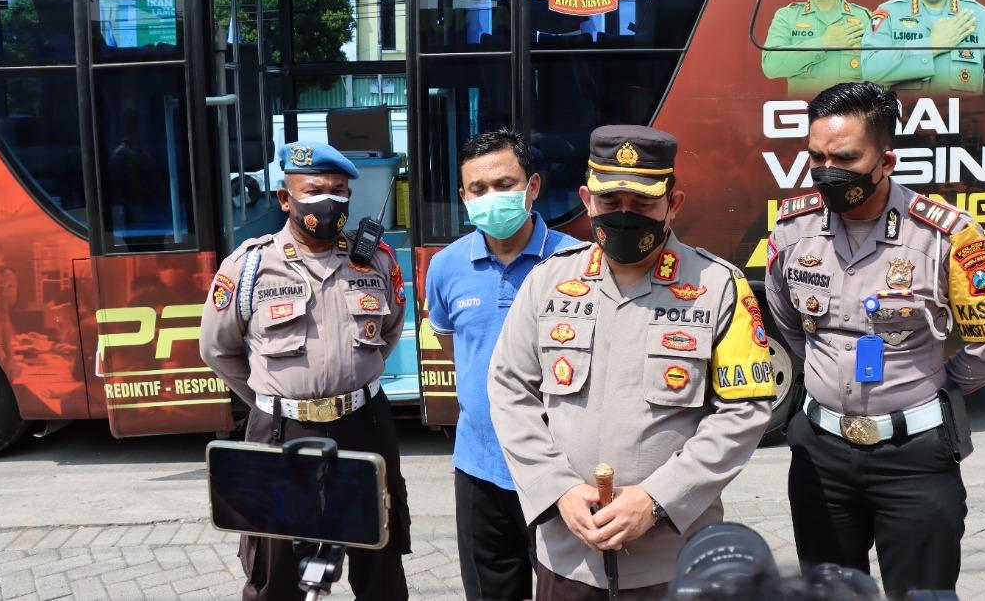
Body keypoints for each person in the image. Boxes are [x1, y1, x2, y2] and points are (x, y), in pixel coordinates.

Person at [488, 125, 775, 599]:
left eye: (641, 205)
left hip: (672, 561)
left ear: (672, 204)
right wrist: (557, 489)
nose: (624, 217)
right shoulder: (547, 283)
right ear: (587, 199)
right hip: (567, 559)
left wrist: (658, 500)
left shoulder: (720, 287)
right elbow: (509, 391)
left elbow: (743, 412)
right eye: (610, 203)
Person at [765, 82, 985, 596]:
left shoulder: (946, 235)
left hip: (915, 458)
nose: (827, 170)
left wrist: (927, 387)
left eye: (846, 157)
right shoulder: (793, 230)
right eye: (816, 157)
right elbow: (788, 322)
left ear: (887, 159)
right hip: (820, 458)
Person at [200, 142, 411, 601]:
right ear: (284, 198)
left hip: (364, 427)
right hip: (281, 432)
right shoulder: (250, 266)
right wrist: (274, 398)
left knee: (380, 565)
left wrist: (353, 378)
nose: (328, 201)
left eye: (338, 191)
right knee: (275, 571)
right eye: (313, 190)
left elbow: (391, 329)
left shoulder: (375, 259)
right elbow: (218, 349)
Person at [425, 128, 581, 601]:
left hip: (562, 470)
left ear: (533, 187)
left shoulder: (576, 263)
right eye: (478, 189)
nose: (491, 197)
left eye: (504, 185)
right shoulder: (447, 267)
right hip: (480, 469)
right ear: (463, 197)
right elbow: (457, 348)